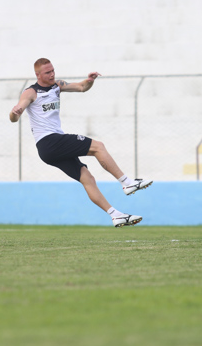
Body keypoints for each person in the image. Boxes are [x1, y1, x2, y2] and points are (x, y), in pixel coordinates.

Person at [9, 58, 153, 227]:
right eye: (47, 72)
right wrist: (15, 113)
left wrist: (90, 80)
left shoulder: (57, 85)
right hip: (49, 141)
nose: (52, 74)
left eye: (53, 70)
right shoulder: (30, 92)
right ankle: (127, 183)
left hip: (50, 150)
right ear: (38, 74)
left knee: (87, 178)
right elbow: (15, 115)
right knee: (98, 146)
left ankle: (116, 215)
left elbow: (81, 87)